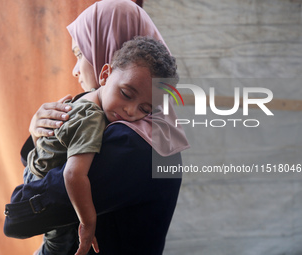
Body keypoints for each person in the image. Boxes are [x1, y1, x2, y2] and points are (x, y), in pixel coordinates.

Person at [18, 0, 190, 254]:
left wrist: (43, 143)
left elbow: (18, 218)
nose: (75, 70)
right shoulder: (140, 126)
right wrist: (37, 133)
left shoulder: (129, 141)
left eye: (79, 53)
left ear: (107, 58)